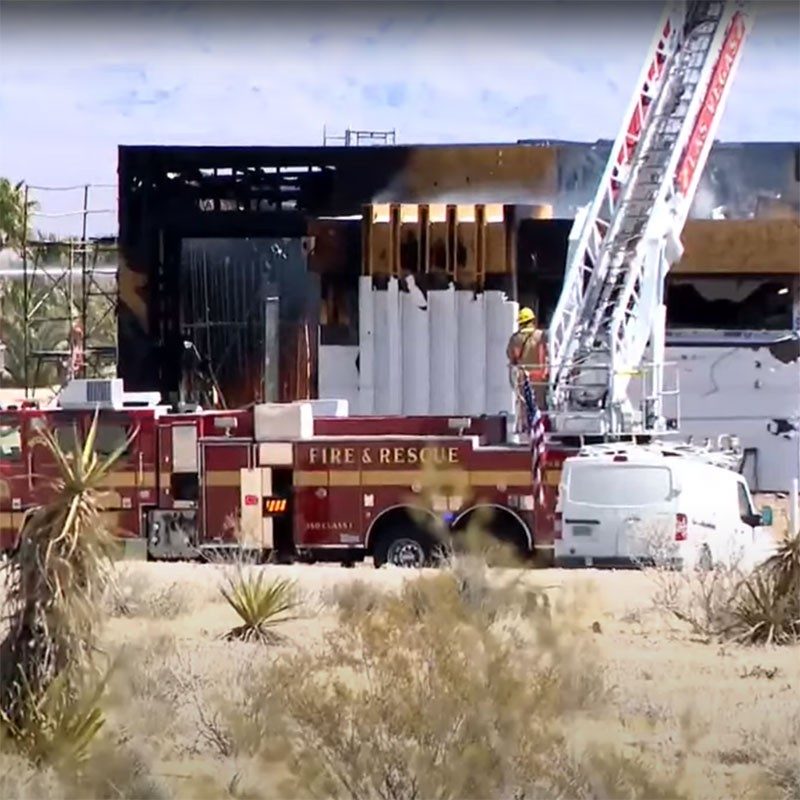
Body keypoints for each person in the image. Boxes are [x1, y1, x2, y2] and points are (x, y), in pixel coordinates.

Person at [507, 307, 548, 429]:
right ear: (532, 321)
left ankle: (525, 428)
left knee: (524, 403)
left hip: (522, 376)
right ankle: (540, 428)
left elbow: (511, 356)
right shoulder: (541, 336)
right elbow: (547, 354)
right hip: (539, 376)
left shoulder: (515, 339)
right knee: (539, 403)